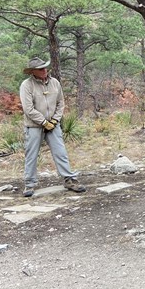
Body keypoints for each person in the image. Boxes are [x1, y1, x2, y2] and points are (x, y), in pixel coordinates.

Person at [19, 56, 86, 198]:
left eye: (44, 67)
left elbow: (61, 103)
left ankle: (69, 180)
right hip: (34, 126)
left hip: (53, 125)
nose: (44, 70)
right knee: (31, 155)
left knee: (60, 152)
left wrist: (54, 121)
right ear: (33, 71)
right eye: (40, 69)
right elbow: (28, 109)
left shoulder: (54, 83)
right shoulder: (27, 85)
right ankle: (29, 184)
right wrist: (44, 122)